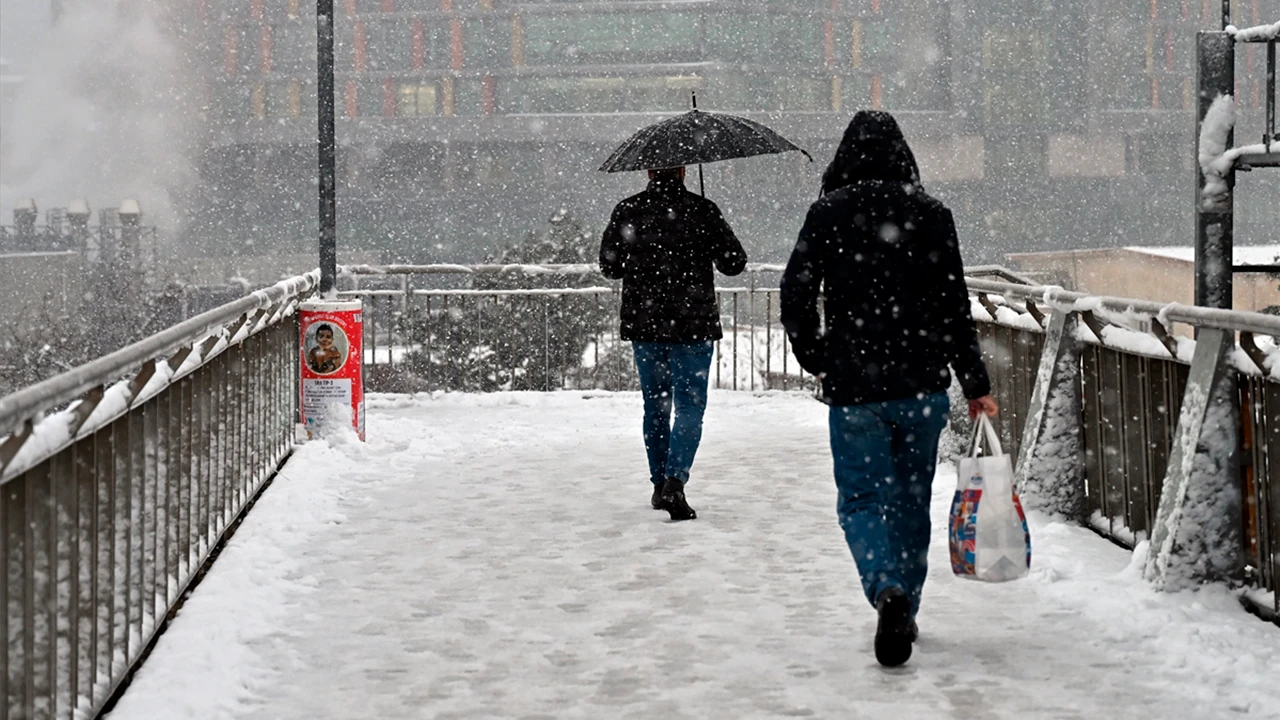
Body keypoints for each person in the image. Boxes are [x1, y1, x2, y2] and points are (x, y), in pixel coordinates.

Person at [780, 111, 998, 667]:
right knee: (909, 501)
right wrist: (975, 382)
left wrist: (819, 358)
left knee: (860, 499)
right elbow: (953, 305)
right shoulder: (931, 214)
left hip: (854, 387)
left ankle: (885, 589)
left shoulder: (828, 213)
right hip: (920, 384)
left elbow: (795, 292)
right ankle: (909, 602)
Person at [599, 165, 748, 521]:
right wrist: (708, 232)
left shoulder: (628, 210)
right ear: (683, 171)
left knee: (656, 407)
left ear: (649, 171)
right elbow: (734, 263)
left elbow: (610, 267)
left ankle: (657, 484)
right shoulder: (702, 210)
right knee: (690, 407)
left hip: (646, 326)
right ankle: (674, 482)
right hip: (693, 326)